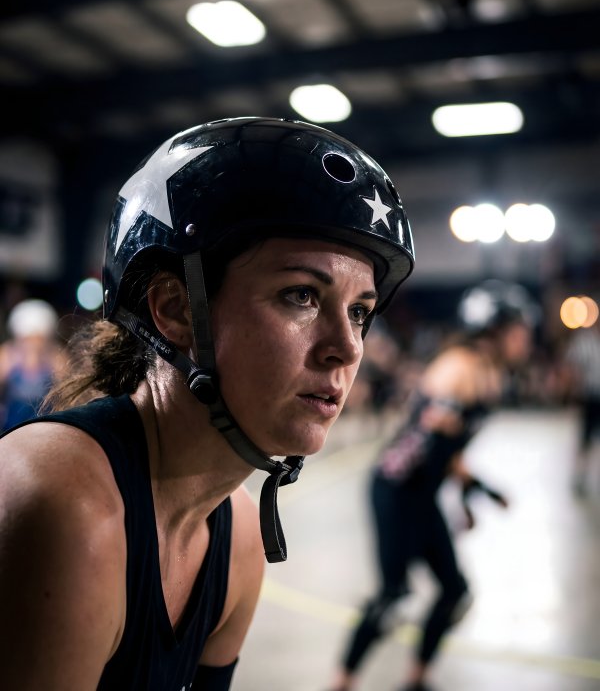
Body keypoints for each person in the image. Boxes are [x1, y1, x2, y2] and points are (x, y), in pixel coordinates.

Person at [0, 117, 414, 690]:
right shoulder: (61, 501)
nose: (346, 348)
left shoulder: (239, 534)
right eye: (301, 295)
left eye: (359, 311)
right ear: (175, 310)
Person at [327, 279, 535, 691]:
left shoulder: (488, 373)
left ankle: (417, 679)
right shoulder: (458, 368)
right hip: (395, 489)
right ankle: (340, 684)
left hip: (421, 495)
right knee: (394, 599)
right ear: (492, 330)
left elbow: (450, 453)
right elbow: (418, 446)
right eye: (518, 329)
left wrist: (473, 492)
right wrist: (438, 422)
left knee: (454, 592)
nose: (525, 338)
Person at [0, 298, 64, 432]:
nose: (33, 345)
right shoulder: (6, 355)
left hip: (44, 427)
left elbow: (67, 395)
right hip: (10, 427)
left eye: (38, 339)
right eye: (28, 339)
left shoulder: (57, 358)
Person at [563, 317, 600, 496]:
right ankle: (580, 476)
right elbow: (573, 366)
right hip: (591, 396)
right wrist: (573, 391)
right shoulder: (585, 339)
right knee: (585, 440)